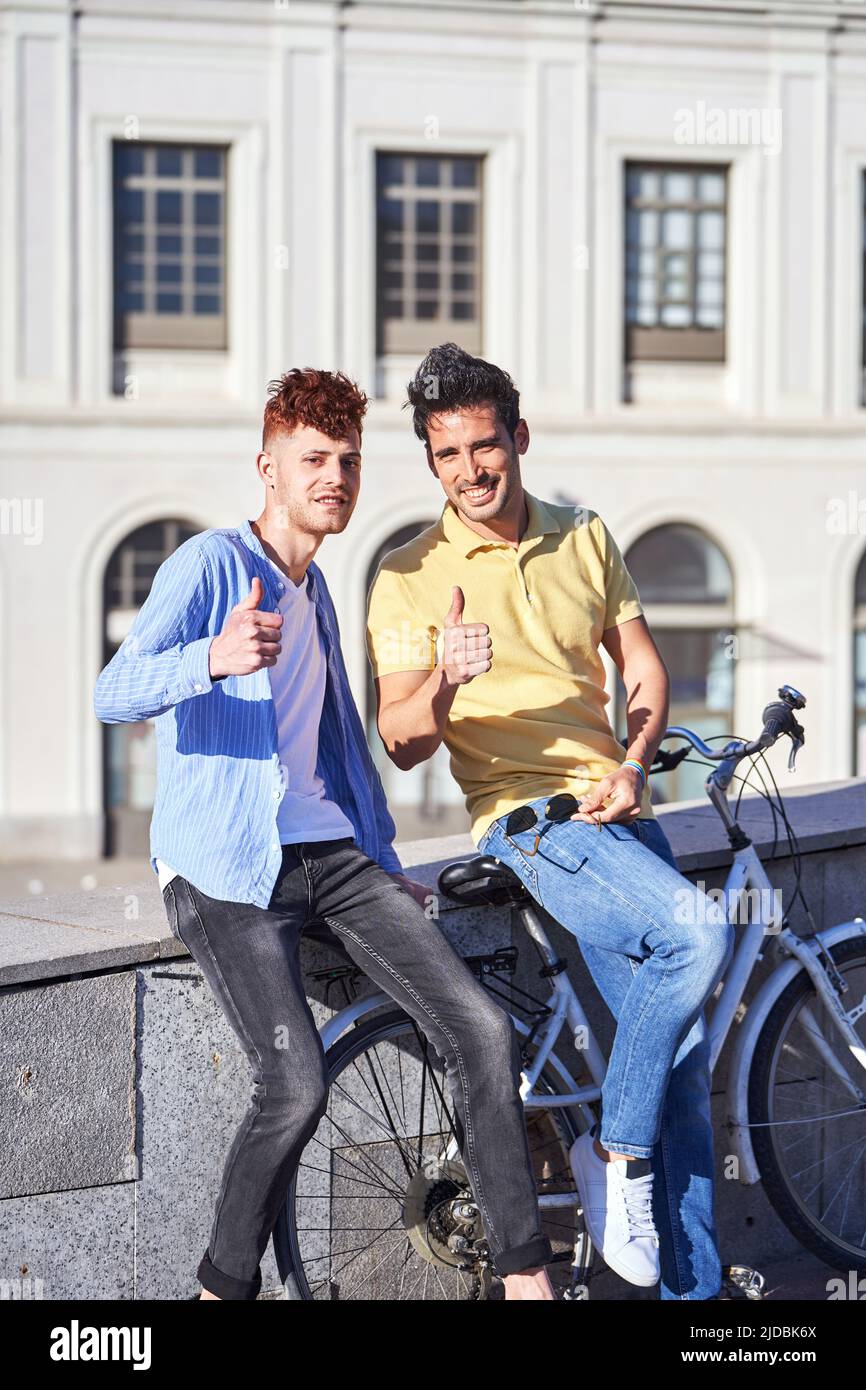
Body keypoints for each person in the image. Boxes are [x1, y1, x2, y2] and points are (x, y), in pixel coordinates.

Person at [94, 367, 555, 1301]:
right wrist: (209, 659)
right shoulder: (210, 565)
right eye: (314, 459)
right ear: (267, 467)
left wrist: (384, 866)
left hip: (333, 862)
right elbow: (112, 691)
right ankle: (222, 1290)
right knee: (293, 1082)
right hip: (227, 873)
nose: (334, 477)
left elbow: (343, 747)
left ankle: (526, 1280)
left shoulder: (317, 596)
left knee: (478, 1029)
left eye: (347, 460)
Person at [365, 343, 735, 1300]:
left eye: (484, 447)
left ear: (517, 437)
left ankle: (692, 1301)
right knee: (697, 936)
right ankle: (615, 1163)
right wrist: (445, 675)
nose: (469, 471)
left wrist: (634, 759)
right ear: (432, 463)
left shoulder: (584, 536)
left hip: (614, 808)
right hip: (529, 822)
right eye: (447, 456)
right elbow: (400, 740)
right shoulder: (409, 574)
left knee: (684, 1069)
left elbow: (645, 672)